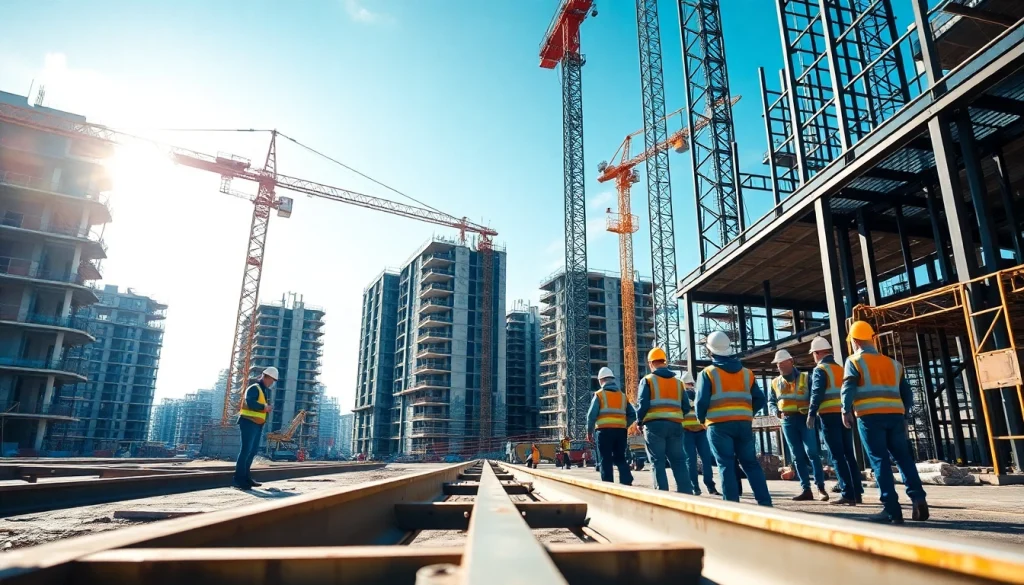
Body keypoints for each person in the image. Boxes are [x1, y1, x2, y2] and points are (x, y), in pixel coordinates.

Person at [842, 321, 929, 524]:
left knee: (880, 461)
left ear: (855, 341)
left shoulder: (854, 361)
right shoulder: (893, 364)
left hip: (870, 417)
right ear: (872, 339)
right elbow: (907, 394)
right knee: (904, 459)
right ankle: (918, 498)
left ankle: (891, 510)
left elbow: (848, 387)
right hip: (895, 416)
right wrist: (904, 414)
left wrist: (845, 410)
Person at [695, 331, 773, 506]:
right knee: (751, 464)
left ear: (710, 351)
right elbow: (760, 398)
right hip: (743, 424)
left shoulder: (707, 373)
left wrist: (701, 420)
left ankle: (732, 505)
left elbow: (701, 401)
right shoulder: (747, 373)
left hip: (718, 425)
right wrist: (747, 413)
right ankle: (765, 503)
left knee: (726, 465)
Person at [806, 336, 864, 505]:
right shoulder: (840, 368)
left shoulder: (820, 369)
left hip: (829, 417)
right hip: (844, 415)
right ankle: (857, 492)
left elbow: (817, 392)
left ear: (817, 353)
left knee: (837, 455)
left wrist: (811, 413)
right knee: (848, 454)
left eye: (813, 354)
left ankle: (847, 492)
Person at [768, 349, 829, 502]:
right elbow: (771, 401)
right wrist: (777, 412)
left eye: (782, 363)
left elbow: (815, 395)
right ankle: (806, 489)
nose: (780, 366)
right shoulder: (775, 382)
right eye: (778, 364)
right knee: (797, 456)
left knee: (812, 453)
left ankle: (820, 488)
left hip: (805, 419)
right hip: (787, 421)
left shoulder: (805, 377)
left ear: (791, 361)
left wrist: (812, 414)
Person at [635, 348, 692, 493]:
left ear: (650, 363)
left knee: (657, 462)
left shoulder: (647, 380)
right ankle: (686, 494)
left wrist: (639, 421)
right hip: (675, 425)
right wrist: (675, 415)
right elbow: (686, 406)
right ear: (664, 362)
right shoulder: (678, 383)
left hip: (654, 426)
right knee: (679, 461)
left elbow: (643, 404)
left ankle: (662, 494)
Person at [587, 367, 635, 485]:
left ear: (601, 380)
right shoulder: (623, 396)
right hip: (620, 432)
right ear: (612, 380)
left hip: (604, 432)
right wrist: (624, 425)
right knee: (620, 457)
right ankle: (627, 481)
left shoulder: (599, 395)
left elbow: (591, 416)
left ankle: (608, 485)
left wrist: (589, 432)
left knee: (605, 459)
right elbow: (633, 415)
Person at [234, 366, 278, 490]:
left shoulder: (263, 391)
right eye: (272, 380)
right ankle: (239, 479)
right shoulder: (254, 388)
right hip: (248, 423)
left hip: (257, 425)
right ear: (266, 377)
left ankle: (247, 478)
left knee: (252, 452)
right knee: (245, 451)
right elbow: (250, 402)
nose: (272, 383)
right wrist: (265, 407)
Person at [680, 371, 719, 496]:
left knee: (690, 460)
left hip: (688, 431)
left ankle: (695, 487)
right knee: (705, 459)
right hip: (700, 430)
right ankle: (710, 486)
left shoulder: (681, 395)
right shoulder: (697, 394)